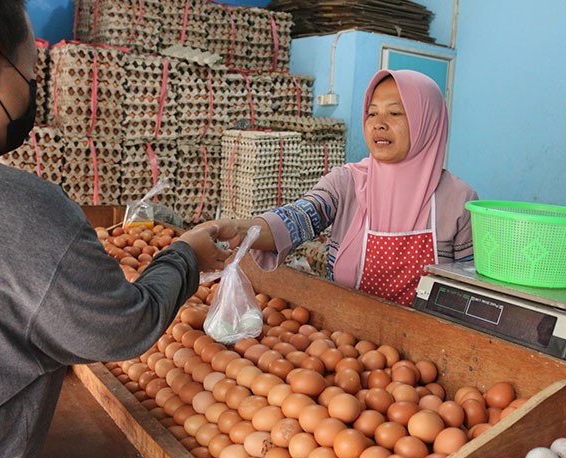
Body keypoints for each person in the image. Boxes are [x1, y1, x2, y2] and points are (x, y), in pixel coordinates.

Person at [0, 1, 232, 458]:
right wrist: (185, 255)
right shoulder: (26, 210)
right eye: (31, 72)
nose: (34, 89)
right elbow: (123, 328)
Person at [202, 69, 478, 306]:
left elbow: (468, 293)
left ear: (427, 122)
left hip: (428, 348)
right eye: (372, 113)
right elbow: (298, 218)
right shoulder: (346, 183)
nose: (378, 124)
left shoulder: (459, 200)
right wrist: (236, 230)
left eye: (395, 113)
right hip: (347, 333)